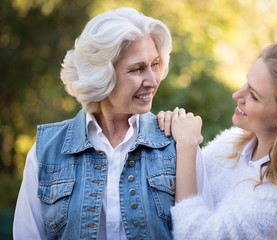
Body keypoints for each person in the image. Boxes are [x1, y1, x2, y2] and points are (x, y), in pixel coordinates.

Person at [13, 7, 177, 240]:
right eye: (137, 69)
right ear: (101, 74)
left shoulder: (178, 145)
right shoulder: (45, 153)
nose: (153, 80)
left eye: (155, 64)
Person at [158, 41, 277, 239]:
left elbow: (194, 236)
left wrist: (187, 146)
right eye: (246, 82)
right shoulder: (232, 142)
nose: (237, 95)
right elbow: (180, 184)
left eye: (253, 95)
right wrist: (170, 130)